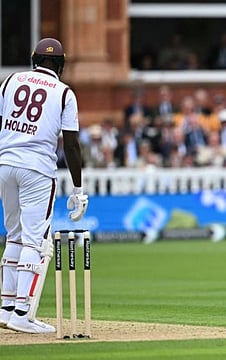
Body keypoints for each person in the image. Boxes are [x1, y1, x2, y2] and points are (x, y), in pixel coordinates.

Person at [0, 38, 88, 332]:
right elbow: (71, 145)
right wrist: (78, 189)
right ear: (61, 65)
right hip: (37, 168)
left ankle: (6, 307)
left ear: (33, 58)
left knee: (14, 235)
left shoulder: (10, 81)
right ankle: (22, 314)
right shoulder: (64, 93)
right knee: (33, 241)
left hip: (5, 164)